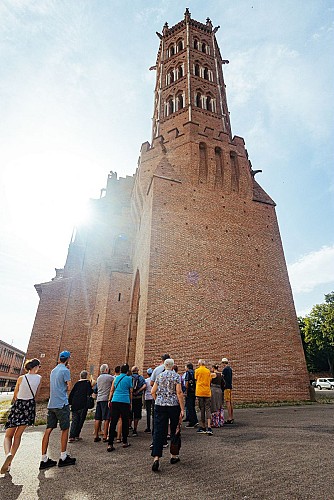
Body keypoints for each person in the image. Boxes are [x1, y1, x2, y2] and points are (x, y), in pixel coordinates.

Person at [1, 358, 41, 474]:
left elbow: (15, 395)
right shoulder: (39, 378)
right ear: (36, 367)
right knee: (18, 436)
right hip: (29, 407)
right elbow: (37, 395)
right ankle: (10, 462)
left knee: (8, 435)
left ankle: (8, 454)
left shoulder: (21, 378)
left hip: (19, 405)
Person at [40, 351, 76, 469]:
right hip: (61, 404)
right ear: (68, 359)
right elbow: (69, 386)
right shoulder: (65, 371)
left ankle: (44, 459)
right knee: (65, 429)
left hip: (52, 404)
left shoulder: (53, 370)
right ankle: (63, 457)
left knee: (48, 429)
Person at [151, 358, 185, 472]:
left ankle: (156, 458)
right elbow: (179, 392)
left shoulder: (159, 376)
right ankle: (174, 455)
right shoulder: (176, 376)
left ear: (164, 365)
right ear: (173, 365)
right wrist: (182, 408)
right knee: (175, 428)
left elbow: (153, 391)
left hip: (160, 405)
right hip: (173, 405)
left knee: (159, 431)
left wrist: (157, 400)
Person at [107, 363, 133, 451]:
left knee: (113, 421)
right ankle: (125, 441)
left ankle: (110, 443)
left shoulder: (116, 378)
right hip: (125, 401)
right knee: (125, 421)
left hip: (115, 400)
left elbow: (112, 390)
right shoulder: (129, 379)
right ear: (127, 371)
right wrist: (130, 402)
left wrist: (109, 400)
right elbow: (131, 391)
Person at [68, 370, 93, 442]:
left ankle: (71, 436)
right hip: (83, 405)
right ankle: (76, 435)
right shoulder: (87, 383)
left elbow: (72, 394)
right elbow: (90, 392)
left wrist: (70, 403)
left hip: (75, 405)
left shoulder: (77, 384)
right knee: (80, 421)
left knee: (74, 421)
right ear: (86, 376)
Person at [93, 364, 113, 442]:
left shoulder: (98, 378)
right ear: (106, 370)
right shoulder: (110, 377)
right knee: (107, 418)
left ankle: (96, 435)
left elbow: (96, 389)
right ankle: (105, 435)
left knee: (98, 418)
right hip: (106, 399)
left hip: (99, 399)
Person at [195, 359, 214, 435]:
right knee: (208, 408)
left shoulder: (197, 371)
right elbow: (209, 380)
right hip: (207, 391)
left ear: (199, 363)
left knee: (201, 408)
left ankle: (203, 426)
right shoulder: (208, 371)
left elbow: (196, 380)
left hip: (200, 391)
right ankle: (209, 426)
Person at [130, 366, 146, 436]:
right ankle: (135, 430)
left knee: (130, 413)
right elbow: (145, 385)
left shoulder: (129, 378)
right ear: (138, 370)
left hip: (130, 398)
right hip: (138, 398)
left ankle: (129, 427)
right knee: (137, 414)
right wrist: (139, 391)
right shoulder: (141, 378)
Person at [184, 362, 198, 428]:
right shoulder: (195, 372)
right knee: (192, 406)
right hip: (194, 391)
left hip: (189, 391)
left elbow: (186, 383)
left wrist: (185, 391)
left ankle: (192, 421)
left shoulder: (188, 373)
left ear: (188, 367)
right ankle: (195, 420)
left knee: (189, 407)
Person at [222, 357, 234, 424]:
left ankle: (229, 418)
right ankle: (231, 416)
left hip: (226, 387)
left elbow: (222, 378)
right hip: (230, 387)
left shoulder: (225, 369)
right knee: (230, 402)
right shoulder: (230, 369)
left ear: (224, 363)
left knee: (227, 402)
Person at [144, 368, 153, 433]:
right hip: (153, 397)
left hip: (147, 397)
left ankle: (148, 427)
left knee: (148, 413)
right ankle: (154, 427)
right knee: (154, 413)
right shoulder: (154, 380)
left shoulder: (146, 380)